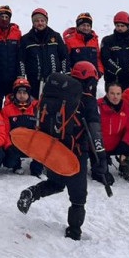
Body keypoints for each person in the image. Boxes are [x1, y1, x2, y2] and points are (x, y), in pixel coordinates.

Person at [16, 64, 109, 241]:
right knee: (78, 197)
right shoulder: (88, 100)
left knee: (57, 183)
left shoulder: (57, 93)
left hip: (53, 147)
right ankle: (74, 232)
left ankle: (31, 192)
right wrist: (101, 157)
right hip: (75, 153)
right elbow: (95, 132)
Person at [99, 82, 129, 184]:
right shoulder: (98, 105)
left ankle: (125, 167)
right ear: (107, 93)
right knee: (100, 173)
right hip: (100, 146)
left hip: (117, 144)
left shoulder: (125, 107)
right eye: (112, 93)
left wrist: (125, 143)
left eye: (118, 94)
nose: (115, 97)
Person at [20, 8, 68, 94]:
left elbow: (64, 57)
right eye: (37, 21)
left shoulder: (56, 36)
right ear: (33, 22)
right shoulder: (26, 39)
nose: (40, 23)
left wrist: (67, 75)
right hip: (34, 80)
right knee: (35, 105)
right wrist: (21, 77)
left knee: (52, 104)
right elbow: (21, 60)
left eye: (42, 20)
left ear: (46, 22)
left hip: (54, 80)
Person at [0, 77, 39, 173]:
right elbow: (4, 131)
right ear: (15, 94)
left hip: (32, 143)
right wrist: (9, 146)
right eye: (19, 93)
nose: (22, 96)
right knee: (9, 162)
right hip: (15, 144)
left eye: (25, 93)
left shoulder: (37, 108)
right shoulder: (6, 110)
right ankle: (16, 164)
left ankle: (37, 163)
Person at [100, 11, 129, 90]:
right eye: (117, 25)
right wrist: (118, 71)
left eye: (122, 26)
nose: (120, 28)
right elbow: (105, 58)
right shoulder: (107, 40)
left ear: (128, 26)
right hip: (113, 81)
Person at [63, 13, 102, 77]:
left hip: (92, 77)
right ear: (78, 26)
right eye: (83, 25)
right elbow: (65, 59)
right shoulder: (69, 40)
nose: (86, 28)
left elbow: (98, 58)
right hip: (75, 78)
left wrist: (99, 72)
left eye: (88, 25)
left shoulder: (94, 40)